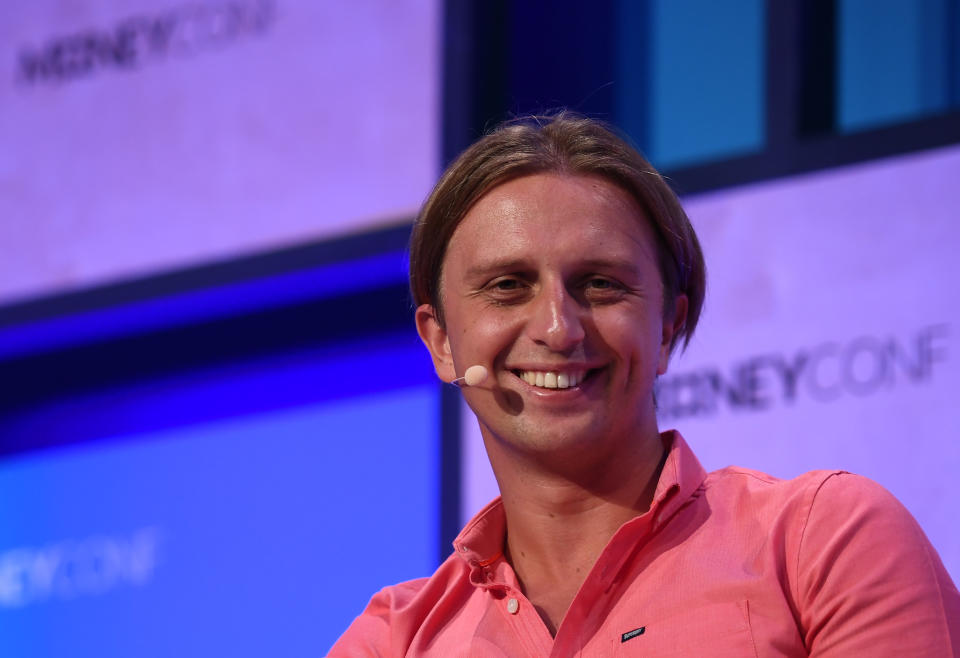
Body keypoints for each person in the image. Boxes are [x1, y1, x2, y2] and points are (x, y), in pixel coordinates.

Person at [331, 113, 960, 656]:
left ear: (666, 327)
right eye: (507, 285)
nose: (558, 327)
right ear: (441, 341)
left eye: (601, 284)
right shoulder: (394, 639)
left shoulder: (821, 543)